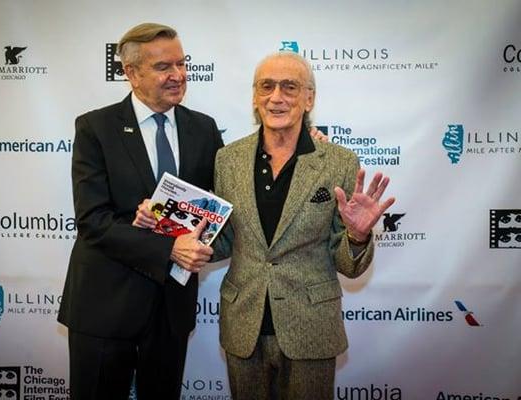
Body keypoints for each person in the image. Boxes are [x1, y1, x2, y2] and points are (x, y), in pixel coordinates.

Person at [212, 51, 395, 399]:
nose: (276, 97)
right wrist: (174, 234)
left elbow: (347, 265)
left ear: (309, 98)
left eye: (289, 87)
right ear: (254, 95)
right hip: (243, 323)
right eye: (266, 86)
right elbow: (224, 241)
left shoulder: (339, 162)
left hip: (311, 325)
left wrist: (357, 235)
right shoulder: (227, 159)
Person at [57, 23, 221, 400]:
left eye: (182, 63)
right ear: (131, 73)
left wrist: (300, 140)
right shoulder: (95, 128)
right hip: (104, 305)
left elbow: (228, 195)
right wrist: (167, 248)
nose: (178, 75)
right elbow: (92, 221)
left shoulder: (204, 129)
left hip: (170, 310)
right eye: (164, 66)